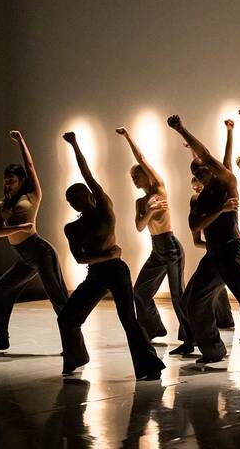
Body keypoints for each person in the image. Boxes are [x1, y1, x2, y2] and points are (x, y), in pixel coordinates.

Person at [57, 131, 165, 379]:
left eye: (78, 196)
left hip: (116, 271)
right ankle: (76, 356)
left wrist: (74, 144)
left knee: (128, 319)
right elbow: (80, 259)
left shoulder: (104, 208)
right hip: (98, 273)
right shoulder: (72, 228)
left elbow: (87, 174)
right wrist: (108, 255)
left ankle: (150, 366)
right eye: (71, 200)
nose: (75, 202)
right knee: (67, 318)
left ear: (89, 194)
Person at [167, 115, 240, 362]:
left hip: (232, 250)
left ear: (210, 170)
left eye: (202, 170)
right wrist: (219, 211)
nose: (198, 174)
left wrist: (182, 129)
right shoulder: (199, 199)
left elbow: (211, 156)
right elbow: (194, 225)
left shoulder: (226, 182)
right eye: (195, 172)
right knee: (193, 301)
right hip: (213, 255)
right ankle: (212, 349)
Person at [0, 131, 73, 356]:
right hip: (23, 257)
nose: (8, 183)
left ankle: (73, 346)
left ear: (21, 181)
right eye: (6, 180)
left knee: (58, 298)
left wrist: (21, 140)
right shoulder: (1, 205)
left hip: (41, 252)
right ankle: (1, 338)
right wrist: (20, 227)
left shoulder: (32, 197)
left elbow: (30, 165)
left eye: (12, 180)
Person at [115, 126, 186, 341]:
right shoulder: (140, 202)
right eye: (133, 178)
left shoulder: (159, 188)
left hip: (171, 246)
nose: (134, 180)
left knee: (177, 295)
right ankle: (155, 328)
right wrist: (150, 210)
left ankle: (190, 338)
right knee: (140, 292)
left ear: (146, 176)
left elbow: (142, 158)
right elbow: (139, 226)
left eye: (137, 176)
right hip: (157, 248)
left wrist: (128, 136)